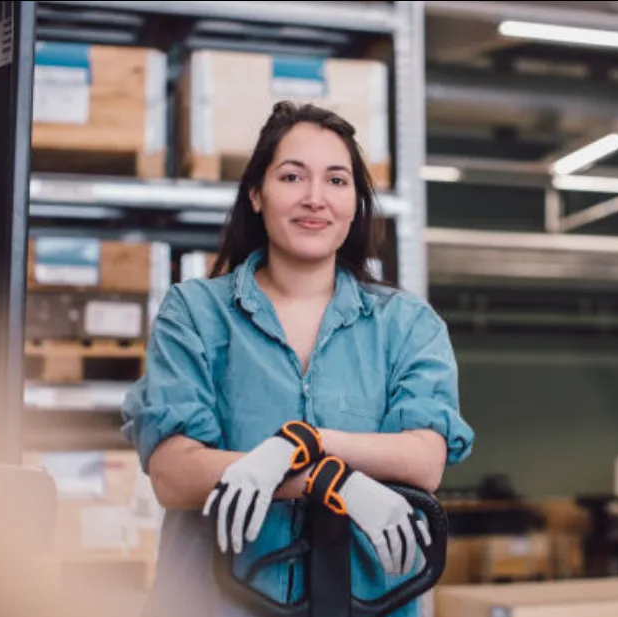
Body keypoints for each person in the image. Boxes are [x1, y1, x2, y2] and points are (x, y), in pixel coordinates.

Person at [121, 101, 475, 617]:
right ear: (256, 194)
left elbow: (423, 458)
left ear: (355, 203)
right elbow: (174, 474)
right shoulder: (195, 314)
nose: (315, 199)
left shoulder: (407, 325)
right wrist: (328, 481)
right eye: (292, 176)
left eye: (336, 181)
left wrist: (304, 444)